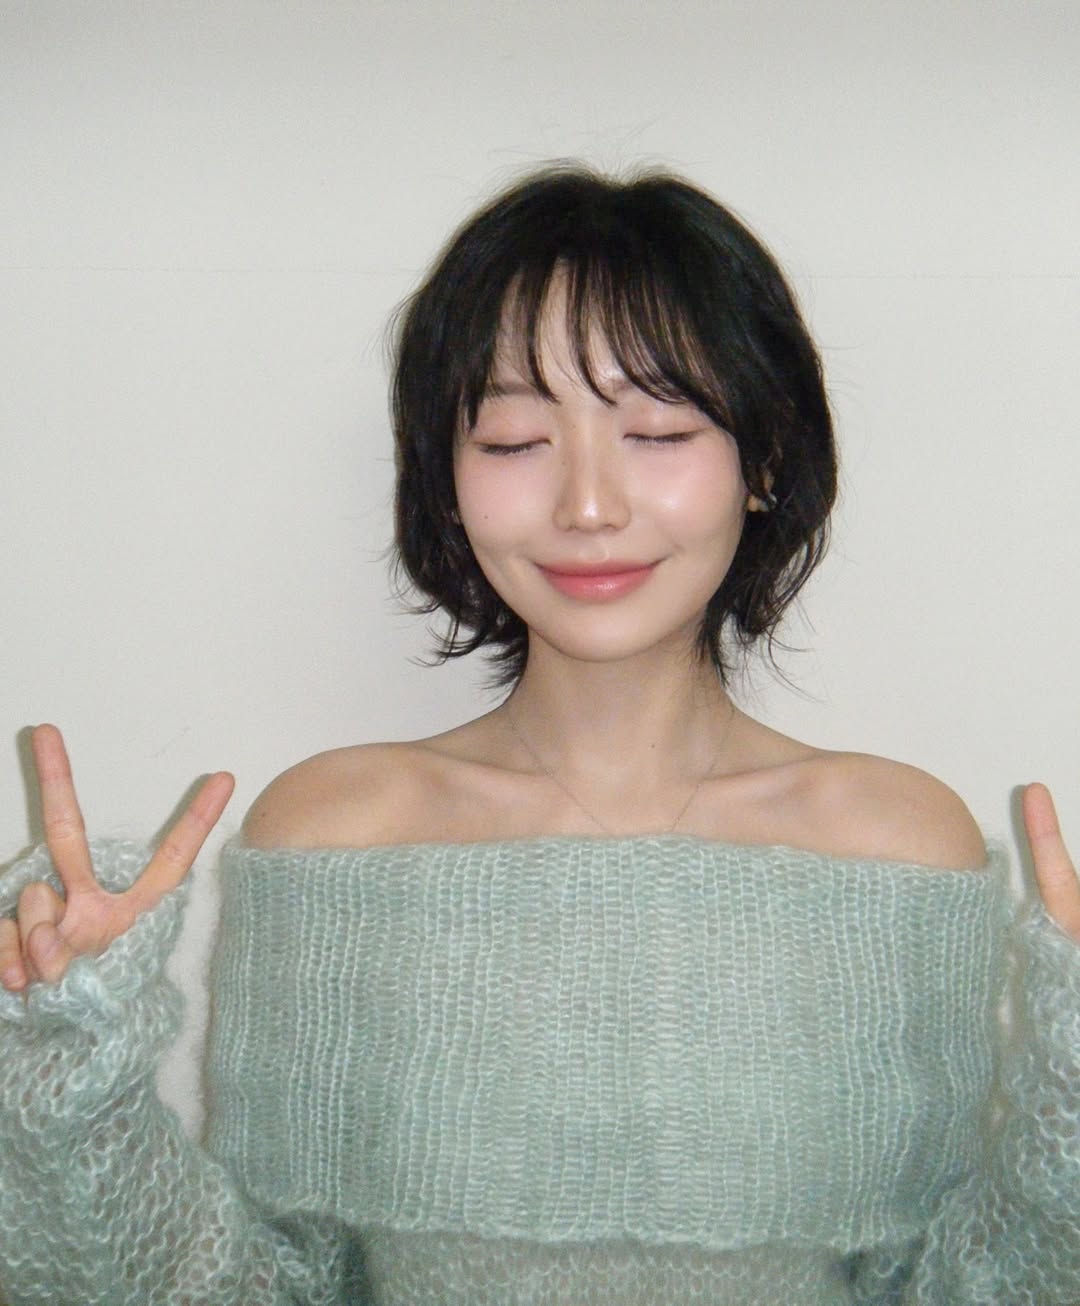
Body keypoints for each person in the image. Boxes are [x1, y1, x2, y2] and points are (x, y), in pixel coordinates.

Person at [1, 165, 1078, 1304]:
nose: (588, 505)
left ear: (764, 461)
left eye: (657, 429)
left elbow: (960, 1288)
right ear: (445, 479)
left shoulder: (897, 850)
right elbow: (258, 1289)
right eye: (516, 439)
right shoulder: (339, 836)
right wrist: (70, 1066)